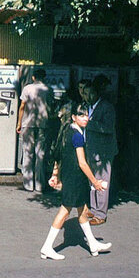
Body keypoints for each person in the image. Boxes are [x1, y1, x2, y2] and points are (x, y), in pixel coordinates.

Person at [41, 103, 112, 260]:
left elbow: (59, 155)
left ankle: (93, 244)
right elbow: (82, 163)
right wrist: (95, 182)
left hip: (71, 176)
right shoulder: (78, 136)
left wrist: (55, 174)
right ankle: (47, 247)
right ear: (74, 117)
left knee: (83, 210)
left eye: (86, 115)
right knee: (65, 211)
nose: (85, 118)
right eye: (81, 115)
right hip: (75, 177)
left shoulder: (68, 130)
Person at [83, 81, 117, 225]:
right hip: (90, 149)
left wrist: (89, 123)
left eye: (90, 93)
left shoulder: (106, 107)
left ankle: (101, 214)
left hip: (102, 151)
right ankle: (94, 208)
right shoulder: (87, 107)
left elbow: (108, 128)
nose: (87, 96)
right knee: (92, 181)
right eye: (85, 93)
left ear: (97, 93)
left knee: (102, 181)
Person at [16, 68, 54, 192]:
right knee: (40, 154)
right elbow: (51, 107)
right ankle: (39, 184)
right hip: (44, 124)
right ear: (44, 77)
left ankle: (28, 184)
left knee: (28, 153)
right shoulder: (49, 90)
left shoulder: (27, 88)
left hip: (28, 124)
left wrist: (19, 122)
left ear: (33, 77)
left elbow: (22, 106)